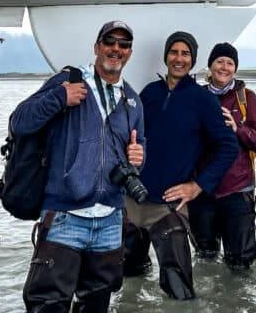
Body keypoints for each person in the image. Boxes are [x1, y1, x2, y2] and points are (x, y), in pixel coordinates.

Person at [12, 20, 146, 313]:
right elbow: (19, 122)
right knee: (47, 306)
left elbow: (139, 147)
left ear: (129, 53)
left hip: (110, 221)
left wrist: (138, 156)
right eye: (110, 42)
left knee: (95, 305)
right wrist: (60, 98)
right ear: (97, 47)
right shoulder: (68, 82)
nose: (116, 49)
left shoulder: (132, 100)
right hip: (64, 217)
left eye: (124, 45)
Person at [123, 31, 238, 299]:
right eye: (174, 52)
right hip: (133, 202)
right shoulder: (149, 93)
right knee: (130, 280)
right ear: (166, 57)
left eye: (185, 54)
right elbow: (131, 136)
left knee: (179, 290)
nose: (178, 58)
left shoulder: (203, 100)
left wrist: (197, 186)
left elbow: (228, 146)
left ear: (193, 60)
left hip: (168, 206)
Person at [190, 42, 256, 270]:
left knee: (241, 265)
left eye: (230, 63)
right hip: (202, 193)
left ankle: (238, 303)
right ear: (210, 66)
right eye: (219, 61)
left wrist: (238, 128)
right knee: (204, 261)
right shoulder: (196, 96)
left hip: (238, 192)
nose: (224, 67)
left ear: (235, 68)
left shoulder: (247, 98)